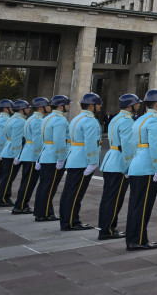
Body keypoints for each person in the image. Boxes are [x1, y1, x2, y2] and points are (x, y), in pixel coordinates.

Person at [127, 89, 157, 251]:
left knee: (135, 205)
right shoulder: (156, 121)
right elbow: (156, 147)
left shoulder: (141, 119)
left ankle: (136, 239)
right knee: (144, 206)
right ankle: (138, 240)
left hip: (137, 164)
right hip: (147, 167)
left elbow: (132, 145)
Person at [99, 94, 141, 239]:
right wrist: (129, 166)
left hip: (111, 159)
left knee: (107, 198)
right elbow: (127, 146)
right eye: (136, 103)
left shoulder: (116, 118)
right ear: (130, 105)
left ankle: (105, 226)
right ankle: (108, 230)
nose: (138, 106)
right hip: (119, 163)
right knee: (115, 199)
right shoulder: (127, 121)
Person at [59, 93, 102, 231]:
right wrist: (92, 161)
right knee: (75, 193)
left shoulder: (77, 118)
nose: (100, 106)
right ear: (91, 106)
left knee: (69, 192)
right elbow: (90, 143)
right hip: (82, 160)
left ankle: (66, 220)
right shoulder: (90, 121)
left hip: (73, 158)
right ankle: (71, 222)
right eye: (98, 104)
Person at [34, 96, 70, 221]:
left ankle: (40, 211)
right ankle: (44, 213)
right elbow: (59, 141)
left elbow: (41, 139)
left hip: (45, 154)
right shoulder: (60, 120)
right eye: (67, 104)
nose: (68, 106)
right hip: (53, 157)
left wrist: (39, 157)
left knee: (44, 185)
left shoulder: (46, 118)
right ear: (60, 106)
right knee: (50, 187)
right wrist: (61, 158)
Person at [12, 98, 48, 215]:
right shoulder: (38, 120)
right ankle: (21, 206)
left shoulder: (31, 118)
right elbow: (37, 140)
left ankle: (20, 204)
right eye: (47, 105)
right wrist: (39, 156)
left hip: (27, 152)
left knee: (26, 181)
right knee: (29, 183)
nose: (49, 107)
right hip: (33, 154)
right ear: (41, 107)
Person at [0, 99, 28, 207]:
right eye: (27, 108)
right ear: (22, 110)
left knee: (6, 177)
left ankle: (3, 197)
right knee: (8, 178)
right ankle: (3, 199)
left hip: (7, 150)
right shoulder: (20, 121)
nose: (28, 109)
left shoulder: (12, 119)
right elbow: (17, 140)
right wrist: (17, 155)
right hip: (12, 153)